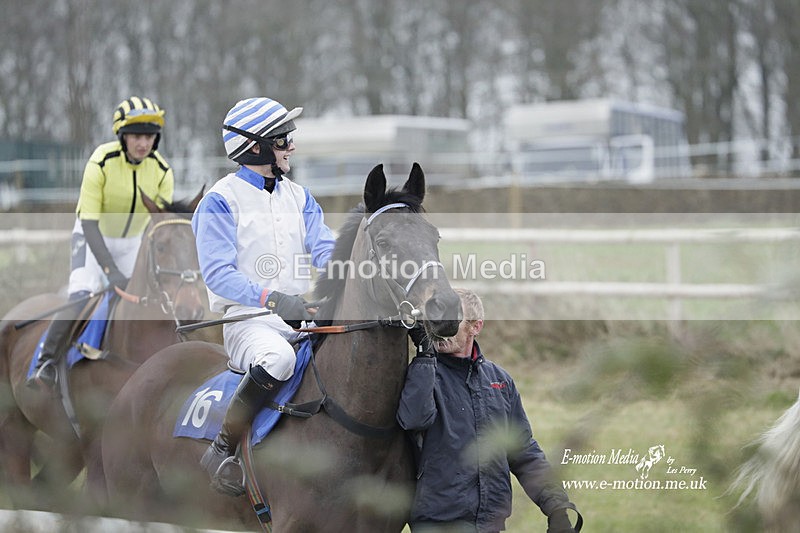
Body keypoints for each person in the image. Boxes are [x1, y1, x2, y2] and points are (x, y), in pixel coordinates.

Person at [192, 96, 336, 496]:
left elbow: (324, 248)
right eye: (282, 138)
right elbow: (219, 275)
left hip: (298, 313)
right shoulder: (219, 201)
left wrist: (350, 271)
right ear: (256, 147)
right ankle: (223, 450)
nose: (291, 146)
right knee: (279, 358)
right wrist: (273, 300)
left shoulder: (300, 196)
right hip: (246, 321)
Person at [397, 288, 582, 533]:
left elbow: (524, 450)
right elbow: (413, 419)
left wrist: (557, 507)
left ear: (476, 326)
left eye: (451, 320)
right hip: (439, 523)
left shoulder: (500, 381)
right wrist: (423, 354)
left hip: (491, 524)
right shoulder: (423, 374)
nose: (439, 329)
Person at [28, 96, 174, 388]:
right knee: (81, 295)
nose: (143, 143)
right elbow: (90, 223)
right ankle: (45, 362)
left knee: (151, 299)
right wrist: (109, 269)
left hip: (134, 241)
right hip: (92, 237)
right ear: (122, 137)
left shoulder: (162, 170)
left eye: (149, 136)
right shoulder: (101, 161)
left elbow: (160, 227)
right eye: (136, 136)